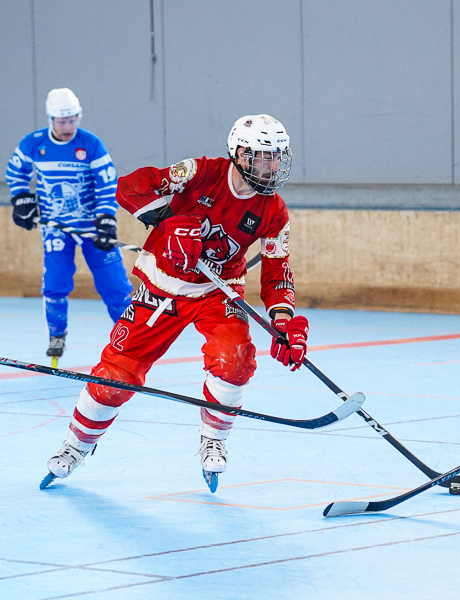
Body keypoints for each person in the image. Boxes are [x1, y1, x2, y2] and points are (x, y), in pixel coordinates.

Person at [40, 114, 310, 492]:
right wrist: (169, 223)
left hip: (218, 292)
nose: (273, 166)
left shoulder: (274, 211)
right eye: (264, 157)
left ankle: (213, 438)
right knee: (115, 376)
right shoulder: (198, 172)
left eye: (277, 157)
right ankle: (75, 446)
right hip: (162, 287)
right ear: (239, 155)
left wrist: (283, 321)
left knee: (235, 360)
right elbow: (130, 188)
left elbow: (277, 271)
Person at [5, 88, 133, 363]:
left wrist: (107, 219)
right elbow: (16, 171)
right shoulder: (34, 143)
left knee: (115, 284)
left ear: (79, 117)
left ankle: (130, 338)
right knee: (55, 281)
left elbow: (107, 183)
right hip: (56, 225)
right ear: (51, 119)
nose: (68, 127)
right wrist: (22, 199)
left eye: (73, 120)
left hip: (92, 225)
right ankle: (57, 334)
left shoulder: (90, 143)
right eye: (62, 121)